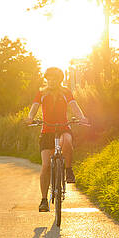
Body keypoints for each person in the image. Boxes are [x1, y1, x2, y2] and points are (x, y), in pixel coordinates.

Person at [24, 67, 88, 212]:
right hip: (47, 131)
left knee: (68, 142)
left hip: (63, 127)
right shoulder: (41, 93)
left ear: (60, 79)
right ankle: (44, 200)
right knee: (46, 165)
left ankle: (68, 170)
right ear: (46, 79)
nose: (51, 81)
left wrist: (81, 118)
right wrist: (30, 118)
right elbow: (34, 108)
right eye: (49, 78)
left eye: (54, 78)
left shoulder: (66, 92)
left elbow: (74, 106)